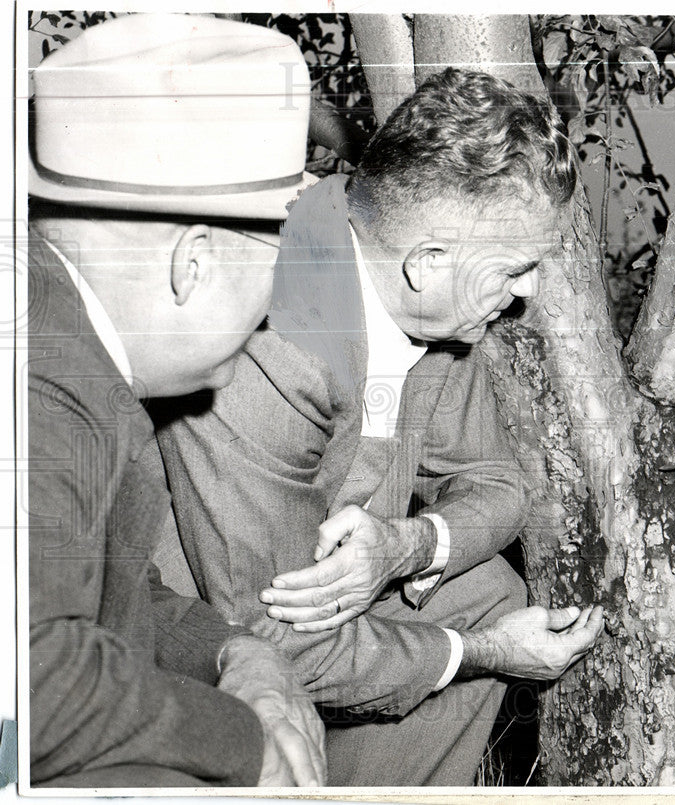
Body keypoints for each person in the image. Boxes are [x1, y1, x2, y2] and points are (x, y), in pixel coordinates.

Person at [153, 67, 605, 786]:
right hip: (183, 625)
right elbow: (269, 633)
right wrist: (479, 650)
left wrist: (408, 543)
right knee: (472, 620)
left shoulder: (428, 299)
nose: (530, 294)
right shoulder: (276, 336)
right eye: (518, 268)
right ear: (427, 262)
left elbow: (498, 481)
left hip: (312, 596)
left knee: (485, 584)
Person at [27, 14, 326, 788]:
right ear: (193, 261)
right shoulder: (41, 383)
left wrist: (236, 651)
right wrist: (243, 741)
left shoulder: (61, 337)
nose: (271, 310)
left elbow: (102, 589)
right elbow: (32, 682)